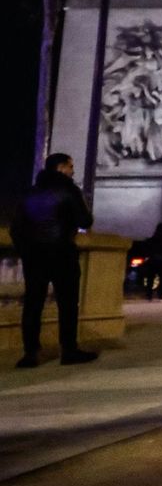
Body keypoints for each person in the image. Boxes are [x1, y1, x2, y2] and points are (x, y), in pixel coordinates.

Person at [11, 153, 97, 368]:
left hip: (34, 256)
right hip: (62, 253)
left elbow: (16, 229)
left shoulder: (30, 192)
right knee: (67, 304)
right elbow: (85, 220)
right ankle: (69, 350)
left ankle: (30, 353)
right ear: (60, 167)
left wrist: (27, 251)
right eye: (70, 166)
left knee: (33, 304)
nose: (73, 171)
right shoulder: (68, 189)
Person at [141, 222, 162, 301]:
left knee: (150, 279)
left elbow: (146, 248)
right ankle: (161, 296)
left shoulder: (152, 239)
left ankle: (149, 296)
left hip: (152, 261)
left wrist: (148, 257)